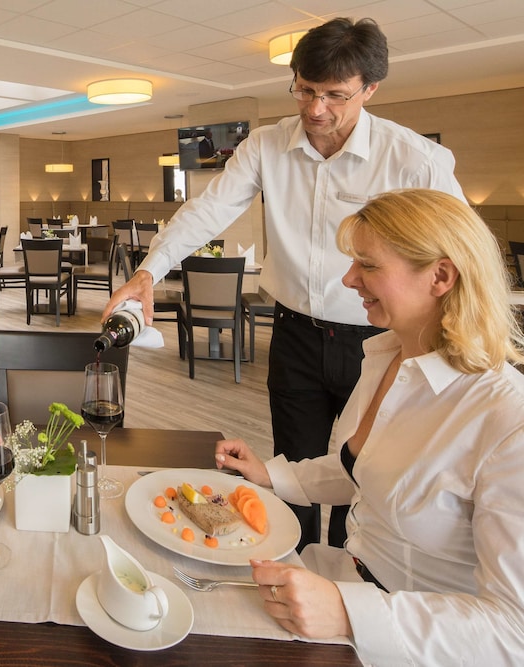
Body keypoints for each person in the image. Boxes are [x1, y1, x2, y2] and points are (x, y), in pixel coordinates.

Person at [103, 17, 465, 550]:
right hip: (294, 334)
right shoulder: (266, 146)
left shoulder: (415, 160)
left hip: (383, 341)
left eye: (335, 95)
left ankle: (345, 578)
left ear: (370, 89)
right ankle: (290, 567)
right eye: (305, 90)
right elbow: (207, 211)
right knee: (291, 469)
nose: (316, 109)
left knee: (363, 475)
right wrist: (146, 272)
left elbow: (463, 254)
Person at [215, 189, 524, 665]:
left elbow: (512, 631)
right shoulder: (387, 358)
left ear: (441, 276)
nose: (348, 278)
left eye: (369, 265)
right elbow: (364, 470)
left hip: (407, 642)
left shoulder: (507, 420)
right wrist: (272, 475)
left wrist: (348, 613)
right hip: (341, 579)